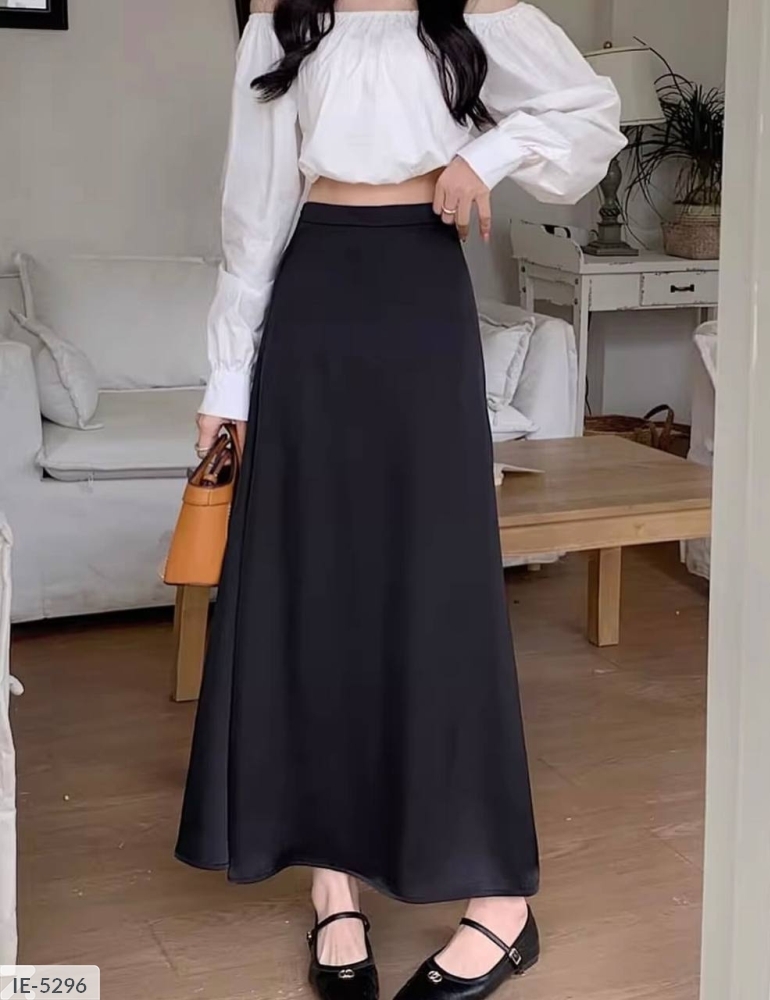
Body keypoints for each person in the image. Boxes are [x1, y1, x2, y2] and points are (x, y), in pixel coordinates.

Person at [175, 2, 624, 998]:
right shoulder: (283, 21)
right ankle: (331, 888)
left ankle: (500, 904)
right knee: (313, 592)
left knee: (439, 594)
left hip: (422, 293)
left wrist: (486, 155)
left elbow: (591, 115)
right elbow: (253, 210)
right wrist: (227, 381)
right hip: (313, 302)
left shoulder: (475, 13)